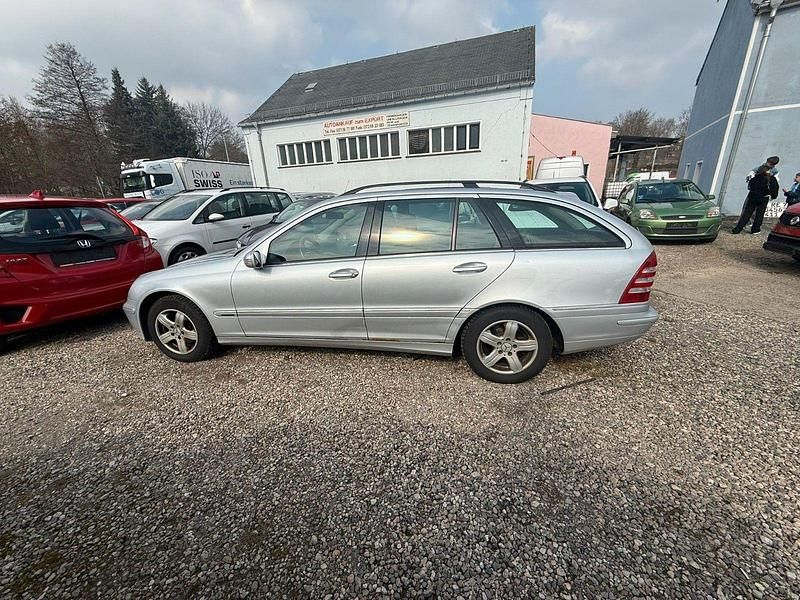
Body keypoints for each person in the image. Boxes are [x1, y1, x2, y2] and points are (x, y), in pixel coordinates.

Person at [732, 162, 779, 234]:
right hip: (764, 198)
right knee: (759, 214)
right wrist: (773, 196)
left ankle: (738, 229)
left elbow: (750, 187)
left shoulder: (755, 178)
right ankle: (755, 229)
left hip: (753, 197)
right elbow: (775, 188)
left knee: (747, 213)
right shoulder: (772, 179)